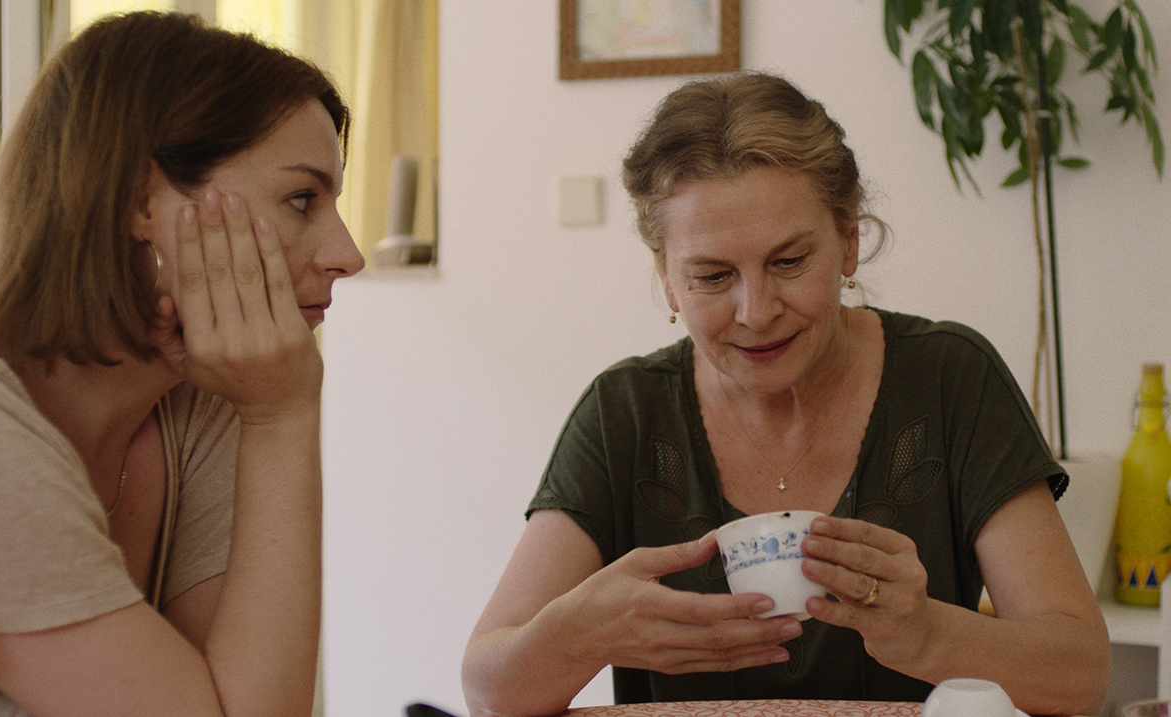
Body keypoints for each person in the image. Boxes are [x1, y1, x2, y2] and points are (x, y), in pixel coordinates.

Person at [462, 72, 1109, 717]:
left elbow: (1079, 675)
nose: (757, 311)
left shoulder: (949, 379)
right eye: (713, 276)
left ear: (849, 242)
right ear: (667, 278)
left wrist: (927, 634)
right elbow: (489, 691)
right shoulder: (624, 413)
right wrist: (579, 635)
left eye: (790, 262)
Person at [0, 12, 363, 717]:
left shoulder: (198, 406)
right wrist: (283, 416)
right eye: (301, 199)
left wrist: (276, 415)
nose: (348, 255)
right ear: (137, 200)